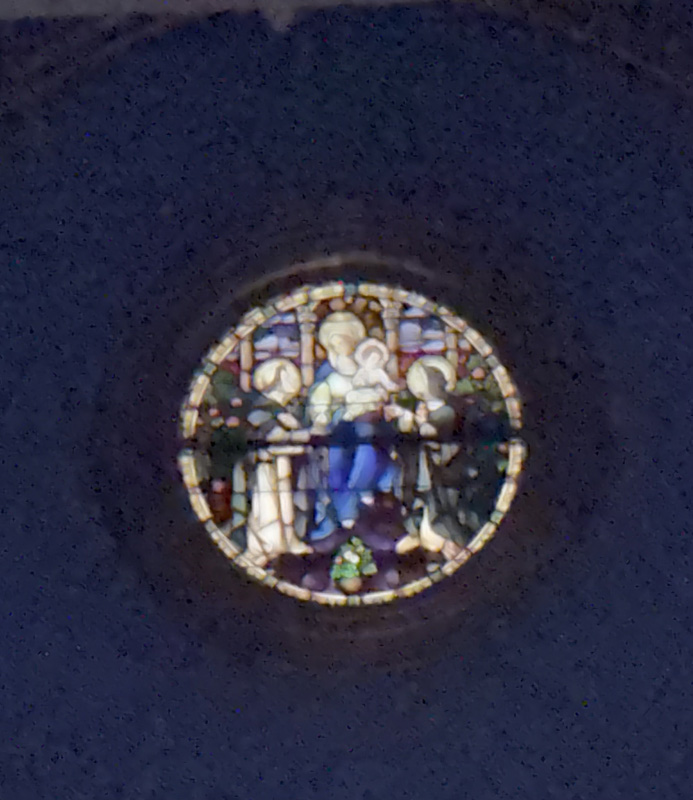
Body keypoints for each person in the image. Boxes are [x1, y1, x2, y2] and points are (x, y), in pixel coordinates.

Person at [241, 358, 313, 567]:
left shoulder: (282, 411)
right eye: (288, 379)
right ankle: (268, 545)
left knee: (285, 504)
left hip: (283, 465)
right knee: (268, 508)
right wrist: (302, 437)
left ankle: (288, 540)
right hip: (264, 468)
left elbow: (295, 436)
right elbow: (275, 437)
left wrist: (302, 438)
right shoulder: (259, 410)